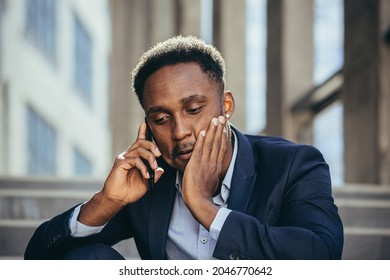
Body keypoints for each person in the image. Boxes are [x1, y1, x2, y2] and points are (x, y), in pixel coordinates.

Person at [24, 35, 343, 260]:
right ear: (148, 124)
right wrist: (107, 201)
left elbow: (321, 254)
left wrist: (203, 205)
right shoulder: (149, 180)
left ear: (226, 105)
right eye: (161, 118)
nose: (179, 132)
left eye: (193, 110)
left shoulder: (293, 164)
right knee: (88, 259)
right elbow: (38, 256)